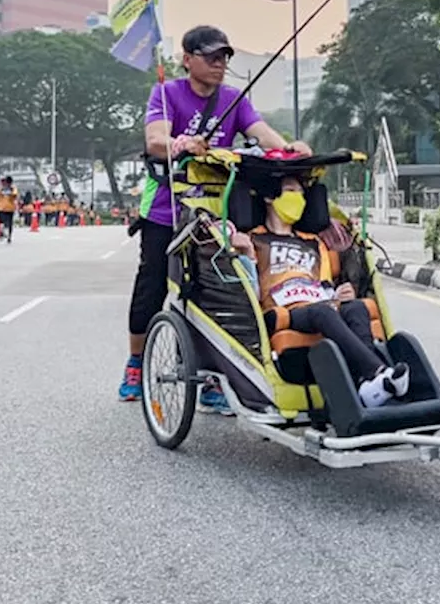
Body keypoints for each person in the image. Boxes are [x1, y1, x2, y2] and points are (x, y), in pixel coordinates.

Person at [120, 24, 312, 408]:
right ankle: (136, 362)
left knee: (221, 288)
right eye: (210, 57)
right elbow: (155, 141)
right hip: (166, 210)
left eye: (224, 57)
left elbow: (262, 134)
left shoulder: (234, 99)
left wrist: (291, 148)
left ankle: (213, 375)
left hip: (217, 211)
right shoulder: (166, 93)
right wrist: (180, 143)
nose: (219, 64)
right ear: (187, 60)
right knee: (152, 286)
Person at [228, 176, 409, 407]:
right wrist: (248, 255)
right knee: (322, 313)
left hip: (319, 304)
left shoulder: (314, 242)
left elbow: (324, 285)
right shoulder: (253, 239)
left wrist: (341, 293)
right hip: (282, 312)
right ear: (270, 198)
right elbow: (246, 292)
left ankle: (367, 387)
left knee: (356, 307)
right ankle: (379, 372)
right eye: (291, 191)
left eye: (302, 193)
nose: (299, 198)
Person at [0, 176, 19, 243]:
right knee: (9, 222)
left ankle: (3, 231)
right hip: (10, 207)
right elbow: (15, 195)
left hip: (0, 207)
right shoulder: (13, 188)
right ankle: (8, 236)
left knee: (2, 221)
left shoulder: (1, 189)